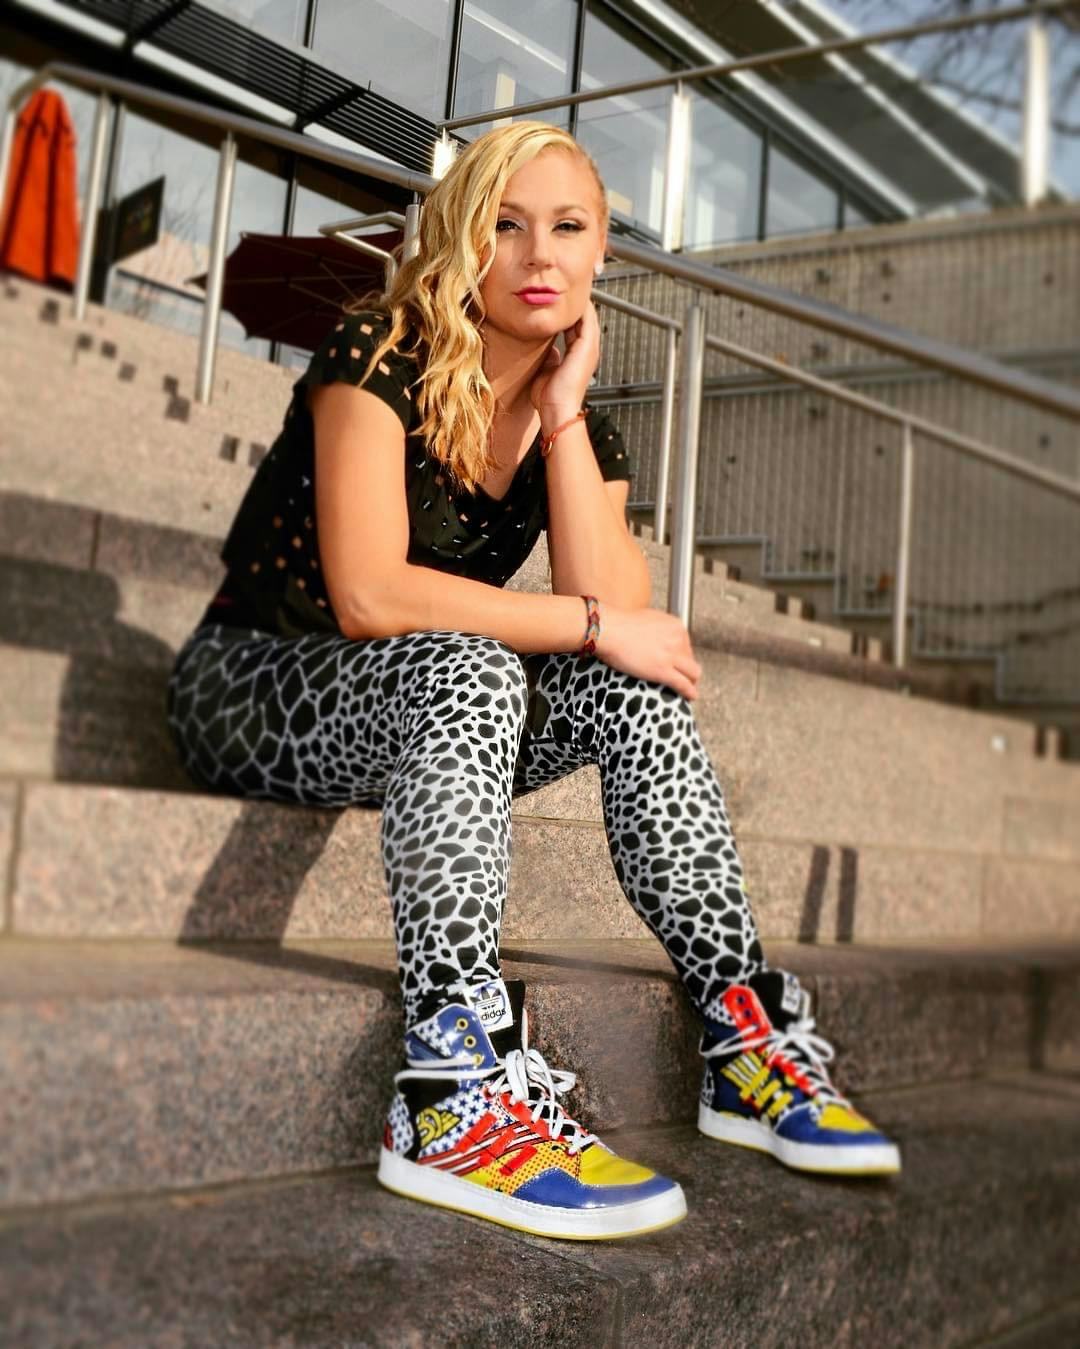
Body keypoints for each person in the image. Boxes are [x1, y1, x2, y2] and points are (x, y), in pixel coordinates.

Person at [168, 121, 900, 1243]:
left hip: (415, 714)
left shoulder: (578, 419)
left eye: (567, 228)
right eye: (506, 227)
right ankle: (452, 1084)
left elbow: (625, 631)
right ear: (464, 240)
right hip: (252, 685)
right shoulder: (380, 350)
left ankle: (742, 1029)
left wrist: (561, 421)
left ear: (604, 250)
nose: (538, 255)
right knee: (476, 661)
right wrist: (593, 619)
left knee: (636, 691)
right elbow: (370, 595)